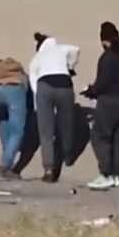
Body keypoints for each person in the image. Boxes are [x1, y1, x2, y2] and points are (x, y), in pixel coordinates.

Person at [82, 22, 119, 190]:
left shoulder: (107, 57)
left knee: (99, 136)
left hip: (108, 101)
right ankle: (116, 174)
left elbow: (102, 82)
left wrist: (90, 91)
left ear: (104, 40)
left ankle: (106, 174)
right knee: (117, 137)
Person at [29, 32, 80, 183]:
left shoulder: (37, 58)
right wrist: (71, 65)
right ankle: (68, 153)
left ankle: (49, 170)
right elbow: (76, 49)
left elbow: (34, 80)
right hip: (65, 85)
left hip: (44, 86)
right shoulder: (62, 49)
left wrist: (38, 100)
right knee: (66, 123)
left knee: (46, 132)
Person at [0, 57, 28, 180]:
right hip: (13, 91)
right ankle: (4, 168)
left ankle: (6, 160)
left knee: (4, 128)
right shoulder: (21, 75)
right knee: (17, 131)